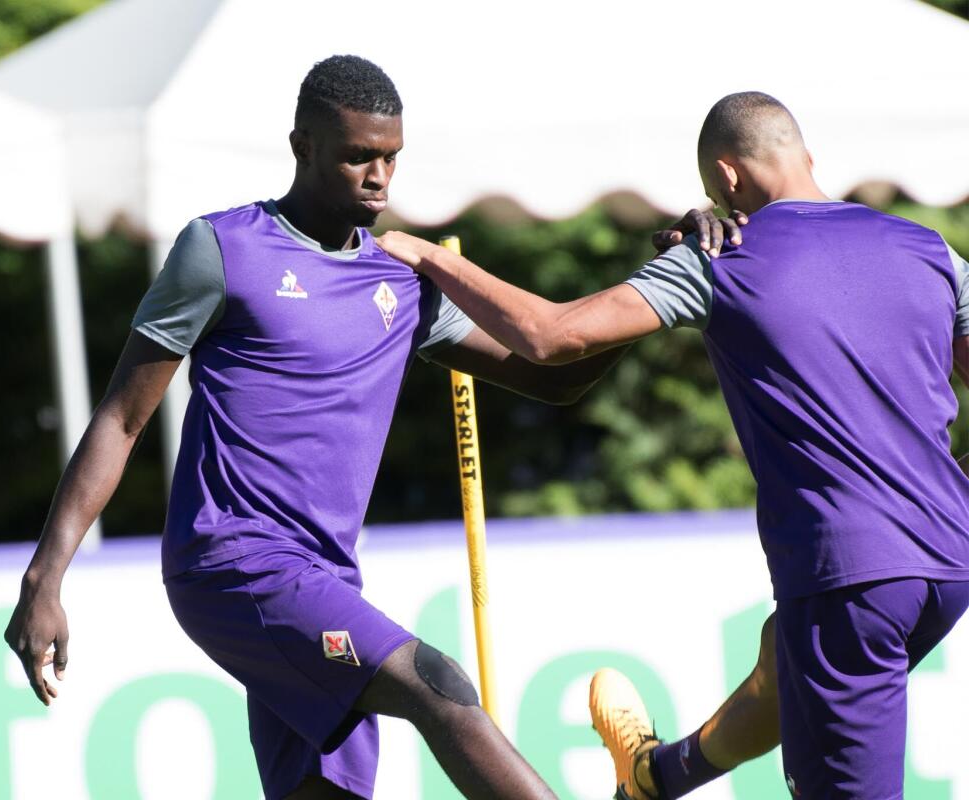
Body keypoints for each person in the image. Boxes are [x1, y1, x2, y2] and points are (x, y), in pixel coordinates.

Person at [2, 54, 725, 800]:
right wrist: (44, 578)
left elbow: (556, 376)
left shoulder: (401, 280)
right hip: (234, 563)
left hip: (327, 577)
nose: (379, 177)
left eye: (391, 158)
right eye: (358, 157)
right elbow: (122, 418)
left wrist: (662, 290)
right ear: (303, 146)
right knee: (440, 688)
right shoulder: (222, 250)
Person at [378, 91, 969, 800]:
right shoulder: (926, 247)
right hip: (949, 559)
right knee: (780, 668)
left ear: (724, 178)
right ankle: (656, 777)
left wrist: (424, 255)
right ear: (807, 157)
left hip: (849, 575)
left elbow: (549, 336)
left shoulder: (721, 258)